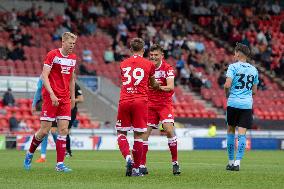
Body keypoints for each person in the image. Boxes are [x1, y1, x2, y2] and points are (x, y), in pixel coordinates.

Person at [23, 32, 77, 172]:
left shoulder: (73, 58)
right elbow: (44, 75)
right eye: (70, 43)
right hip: (50, 97)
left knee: (63, 129)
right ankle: (29, 154)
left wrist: (72, 98)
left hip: (65, 98)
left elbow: (71, 79)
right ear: (63, 42)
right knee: (44, 131)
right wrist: (52, 94)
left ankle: (59, 164)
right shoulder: (52, 55)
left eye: (74, 44)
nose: (72, 46)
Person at [116, 38, 159, 177]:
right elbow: (153, 84)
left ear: (130, 49)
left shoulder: (123, 64)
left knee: (121, 133)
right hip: (140, 101)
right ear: (144, 50)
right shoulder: (149, 64)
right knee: (139, 135)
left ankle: (128, 158)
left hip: (125, 100)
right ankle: (136, 169)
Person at [140, 44, 181, 176]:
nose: (153, 57)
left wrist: (158, 87)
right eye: (151, 55)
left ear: (161, 56)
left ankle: (175, 163)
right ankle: (142, 165)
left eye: (156, 55)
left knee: (169, 129)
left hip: (164, 104)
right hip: (150, 105)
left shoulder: (167, 68)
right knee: (144, 134)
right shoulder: (146, 67)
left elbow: (170, 87)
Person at [224, 43, 258, 171]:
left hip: (233, 103)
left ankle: (230, 162)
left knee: (231, 131)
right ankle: (238, 163)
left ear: (238, 53)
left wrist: (227, 95)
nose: (234, 54)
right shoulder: (254, 70)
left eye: (234, 52)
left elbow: (227, 85)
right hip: (246, 105)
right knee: (242, 134)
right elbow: (254, 91)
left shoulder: (233, 67)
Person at [31, 77, 58, 163]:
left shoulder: (58, 74)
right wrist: (34, 104)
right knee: (44, 132)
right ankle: (43, 156)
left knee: (53, 131)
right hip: (47, 106)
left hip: (55, 105)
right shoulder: (43, 76)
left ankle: (62, 152)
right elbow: (39, 90)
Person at [66, 82, 84, 157]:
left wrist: (71, 100)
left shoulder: (76, 86)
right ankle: (65, 151)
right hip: (60, 109)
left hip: (71, 111)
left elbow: (81, 99)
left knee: (65, 130)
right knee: (60, 131)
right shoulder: (61, 84)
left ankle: (68, 151)